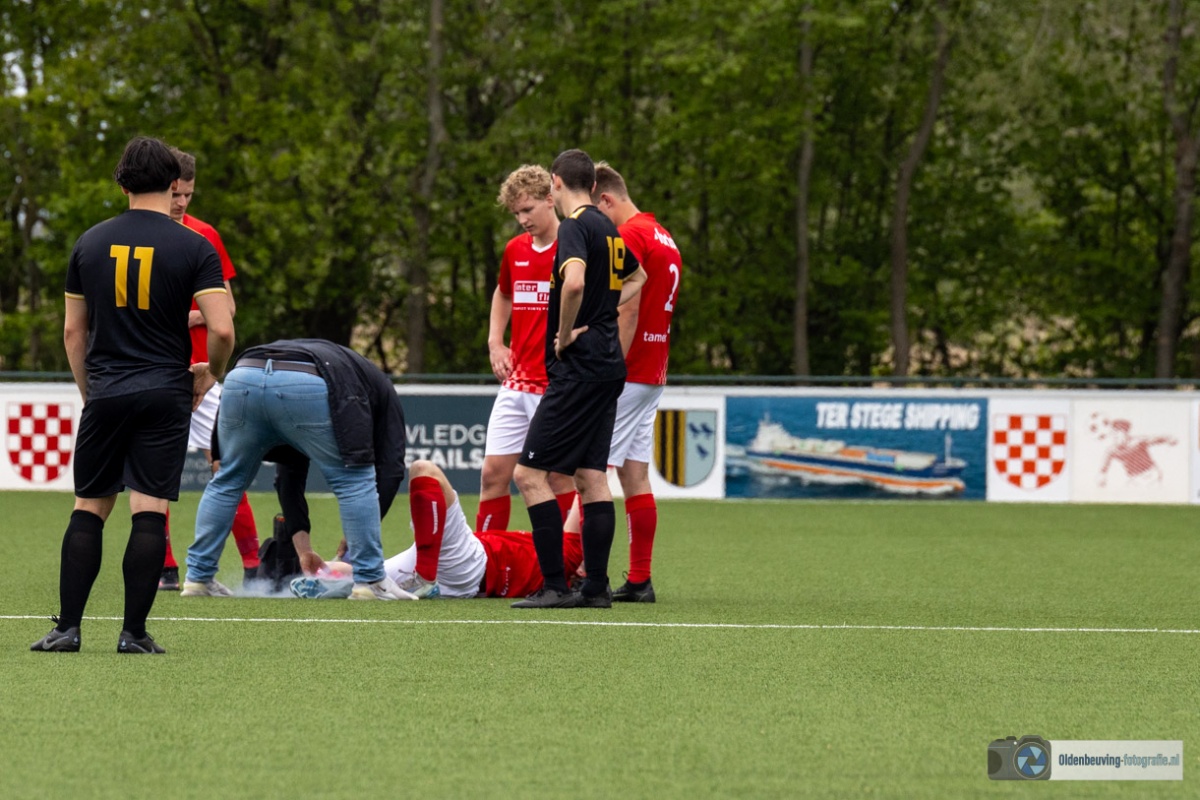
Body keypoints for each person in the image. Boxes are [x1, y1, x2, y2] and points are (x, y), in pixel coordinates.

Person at [31, 135, 234, 654]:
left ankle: (67, 629)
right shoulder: (195, 245)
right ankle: (133, 634)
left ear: (122, 184)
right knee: (149, 511)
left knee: (89, 507)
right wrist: (209, 374)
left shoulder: (89, 242)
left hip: (107, 388)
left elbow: (73, 332)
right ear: (173, 184)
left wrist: (91, 390)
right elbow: (222, 327)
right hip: (165, 390)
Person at [511, 149, 646, 609]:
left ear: (554, 182)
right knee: (591, 477)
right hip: (609, 367)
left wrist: (566, 332)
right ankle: (595, 588)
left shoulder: (573, 226)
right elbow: (639, 277)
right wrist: (603, 307)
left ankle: (554, 585)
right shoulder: (608, 227)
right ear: (592, 185)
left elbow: (572, 283)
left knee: (528, 474)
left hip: (580, 369)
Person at [183, 339, 414, 600]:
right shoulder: (383, 390)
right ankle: (370, 579)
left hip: (242, 375)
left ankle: (198, 578)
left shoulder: (354, 374)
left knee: (228, 480)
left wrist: (303, 550)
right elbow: (391, 469)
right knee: (354, 480)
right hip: (306, 379)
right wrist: (356, 538)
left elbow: (288, 471)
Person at [158, 147, 260, 591]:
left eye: (189, 195)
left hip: (203, 372)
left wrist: (184, 317)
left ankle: (254, 566)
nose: (181, 203)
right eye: (175, 194)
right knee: (154, 472)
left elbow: (228, 308)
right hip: (158, 370)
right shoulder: (141, 236)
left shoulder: (204, 235)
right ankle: (165, 569)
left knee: (226, 468)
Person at [290, 460, 584, 600]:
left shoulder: (568, 556)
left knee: (424, 470)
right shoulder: (562, 559)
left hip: (469, 564)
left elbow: (584, 495)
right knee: (369, 575)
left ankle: (426, 577)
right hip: (462, 571)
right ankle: (316, 573)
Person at [591, 163, 683, 603]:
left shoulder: (629, 235)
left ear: (606, 199)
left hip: (628, 371)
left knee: (589, 473)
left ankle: (577, 572)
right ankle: (640, 579)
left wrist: (610, 364)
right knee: (634, 473)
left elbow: (627, 306)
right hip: (653, 369)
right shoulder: (663, 234)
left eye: (595, 213)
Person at [480, 165, 577, 532]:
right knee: (493, 475)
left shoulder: (573, 246)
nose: (522, 220)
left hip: (555, 384)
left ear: (550, 199)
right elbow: (503, 293)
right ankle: (486, 557)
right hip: (516, 382)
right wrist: (495, 342)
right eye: (516, 213)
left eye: (527, 209)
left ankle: (570, 557)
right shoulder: (515, 250)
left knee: (558, 478)